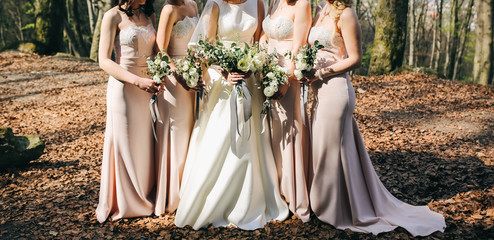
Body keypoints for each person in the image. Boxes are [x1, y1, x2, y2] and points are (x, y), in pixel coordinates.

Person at [303, 0, 447, 236]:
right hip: (318, 92)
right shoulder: (319, 9)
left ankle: (333, 209)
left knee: (331, 150)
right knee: (323, 149)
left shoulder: (347, 14)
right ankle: (331, 201)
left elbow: (356, 59)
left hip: (336, 91)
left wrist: (321, 72)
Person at [174, 0, 289, 230]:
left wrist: (256, 66)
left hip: (250, 75)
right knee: (223, 133)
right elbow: (205, 47)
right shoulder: (215, 5)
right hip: (222, 78)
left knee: (251, 137)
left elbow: (258, 42)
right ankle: (213, 201)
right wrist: (223, 71)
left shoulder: (257, 3)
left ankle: (251, 197)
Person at [95, 0, 160, 222]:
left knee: (144, 144)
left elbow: (156, 53)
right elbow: (103, 61)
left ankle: (145, 194)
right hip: (124, 87)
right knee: (124, 143)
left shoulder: (149, 14)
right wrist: (136, 80)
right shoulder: (112, 16)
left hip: (148, 87)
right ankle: (127, 202)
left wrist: (159, 75)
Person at [259, 0, 312, 222]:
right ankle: (275, 191)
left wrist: (286, 80)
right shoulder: (274, 2)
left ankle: (293, 193)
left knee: (289, 130)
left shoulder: (303, 4)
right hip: (267, 71)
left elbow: (299, 45)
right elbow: (264, 36)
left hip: (286, 75)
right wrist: (260, 64)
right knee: (273, 132)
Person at [154, 0, 199, 216]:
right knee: (177, 135)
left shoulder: (192, 5)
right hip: (175, 81)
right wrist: (179, 75)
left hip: (194, 78)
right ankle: (172, 195)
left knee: (191, 134)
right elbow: (161, 51)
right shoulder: (168, 9)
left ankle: (189, 191)